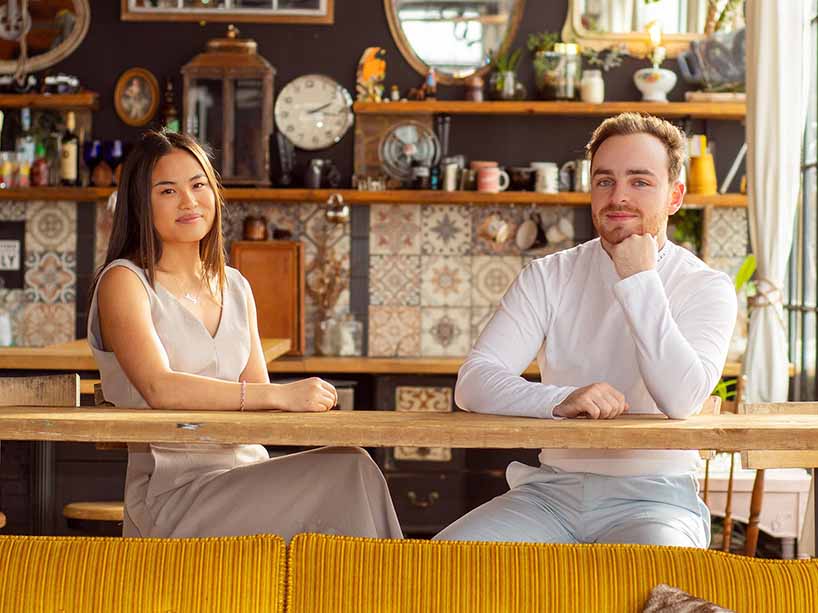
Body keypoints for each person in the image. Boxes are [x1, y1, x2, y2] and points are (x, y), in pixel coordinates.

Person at [436, 113, 737, 548]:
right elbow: (474, 381)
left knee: (657, 584)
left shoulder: (706, 287)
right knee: (439, 566)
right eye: (604, 181)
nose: (618, 197)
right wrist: (560, 399)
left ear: (674, 196)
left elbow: (682, 398)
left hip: (657, 500)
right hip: (549, 495)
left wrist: (639, 280)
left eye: (639, 182)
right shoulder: (548, 275)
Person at [87, 130, 402, 541]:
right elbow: (158, 387)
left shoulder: (234, 286)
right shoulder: (125, 282)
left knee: (354, 465)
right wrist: (282, 395)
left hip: (249, 475)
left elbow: (258, 406)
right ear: (139, 203)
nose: (189, 201)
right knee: (351, 471)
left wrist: (300, 411)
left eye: (198, 185)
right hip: (174, 496)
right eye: (167, 191)